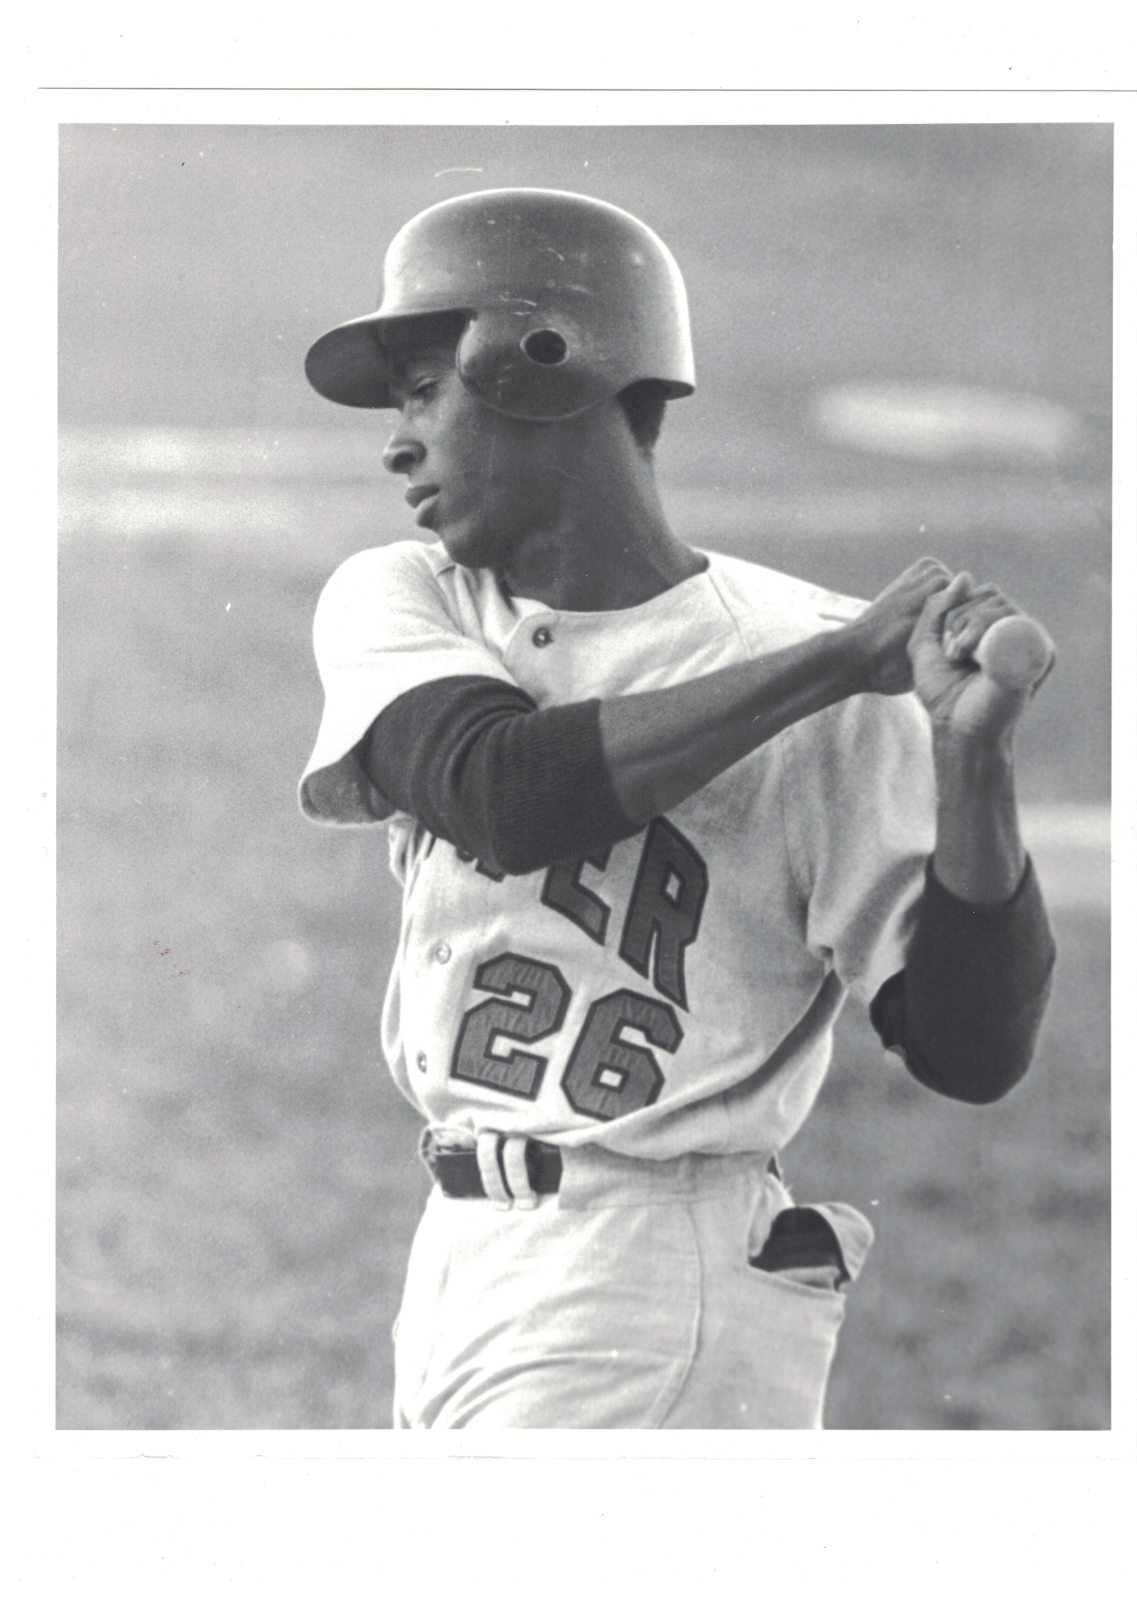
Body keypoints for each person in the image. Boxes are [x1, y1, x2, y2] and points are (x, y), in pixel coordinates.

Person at [299, 188, 1056, 1429]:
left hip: (657, 1273)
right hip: (459, 1258)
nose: (396, 442)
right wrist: (838, 665)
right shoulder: (406, 599)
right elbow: (505, 793)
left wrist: (972, 762)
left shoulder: (817, 657)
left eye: (426, 387)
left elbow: (970, 1048)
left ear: (544, 362)